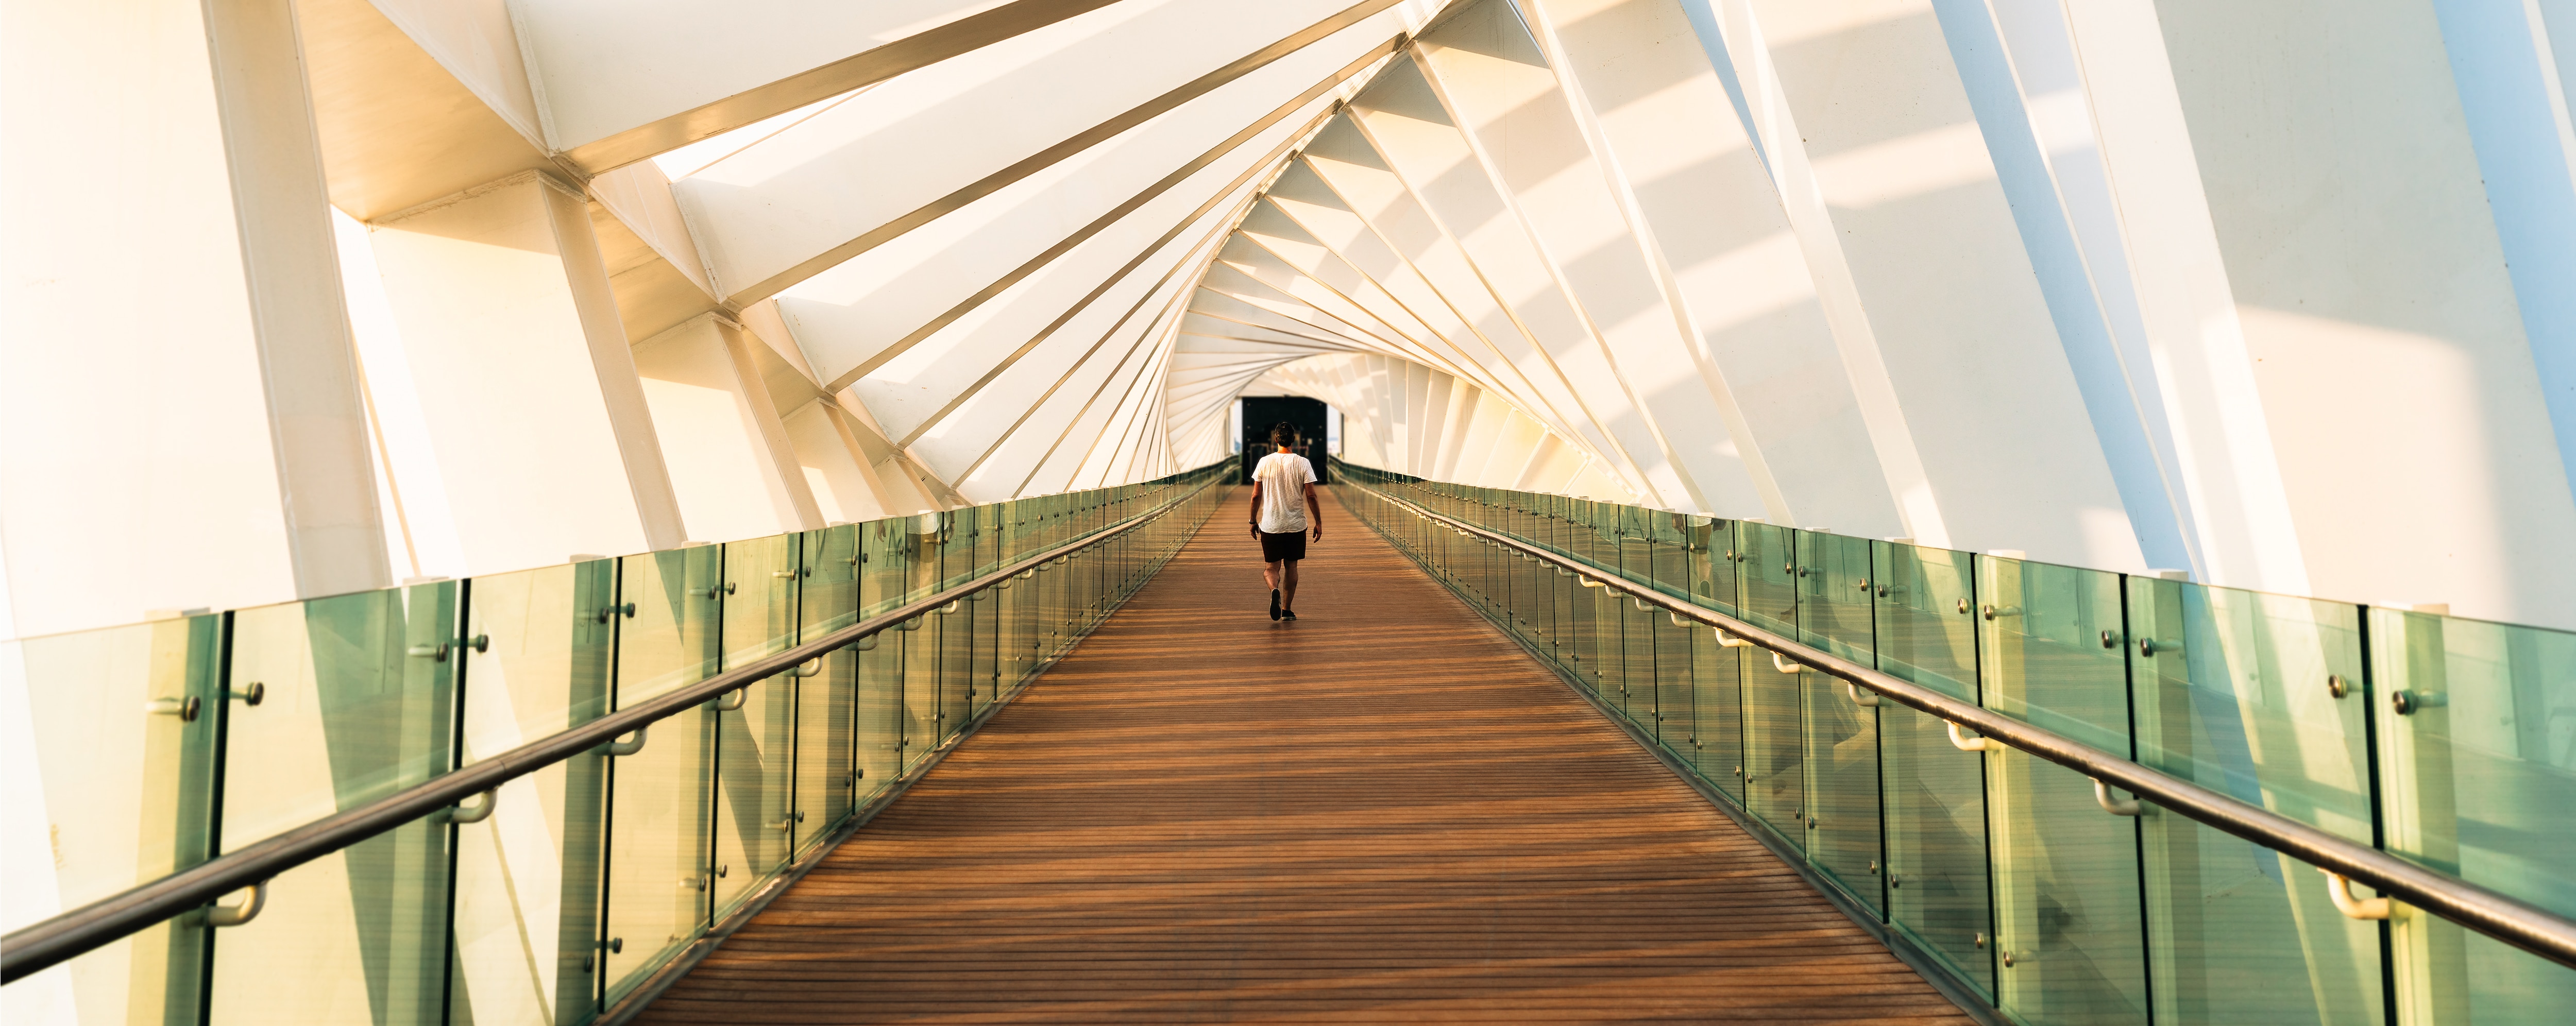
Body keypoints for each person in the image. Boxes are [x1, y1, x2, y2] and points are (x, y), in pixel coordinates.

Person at [1248, 422, 1323, 621]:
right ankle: (1287, 610)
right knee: (1292, 567)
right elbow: (1312, 496)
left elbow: (1256, 496)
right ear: (1293, 440)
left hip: (1271, 525)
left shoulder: (1264, 462)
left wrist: (1252, 520)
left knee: (1271, 568)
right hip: (1296, 525)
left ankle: (1274, 589)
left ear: (1276, 440)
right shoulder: (1303, 463)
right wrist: (1318, 522)